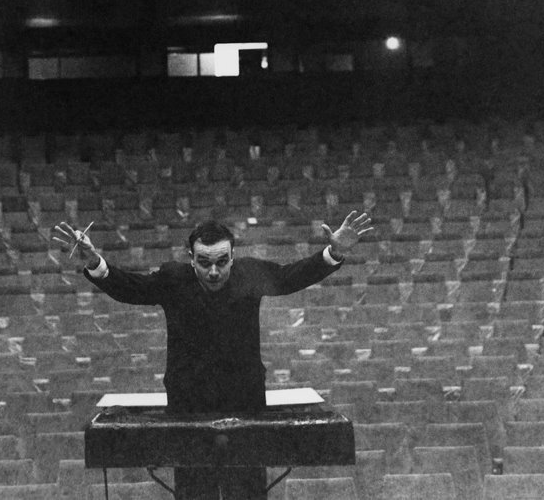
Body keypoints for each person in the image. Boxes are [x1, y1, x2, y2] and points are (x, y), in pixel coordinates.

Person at [53, 211, 372, 500]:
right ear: (191, 259)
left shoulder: (250, 274)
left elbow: (292, 276)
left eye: (222, 261)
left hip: (245, 404)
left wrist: (334, 252)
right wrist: (94, 261)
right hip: (188, 408)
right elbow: (131, 288)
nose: (214, 271)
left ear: (234, 257)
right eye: (205, 262)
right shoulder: (173, 279)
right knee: (195, 492)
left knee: (247, 491)